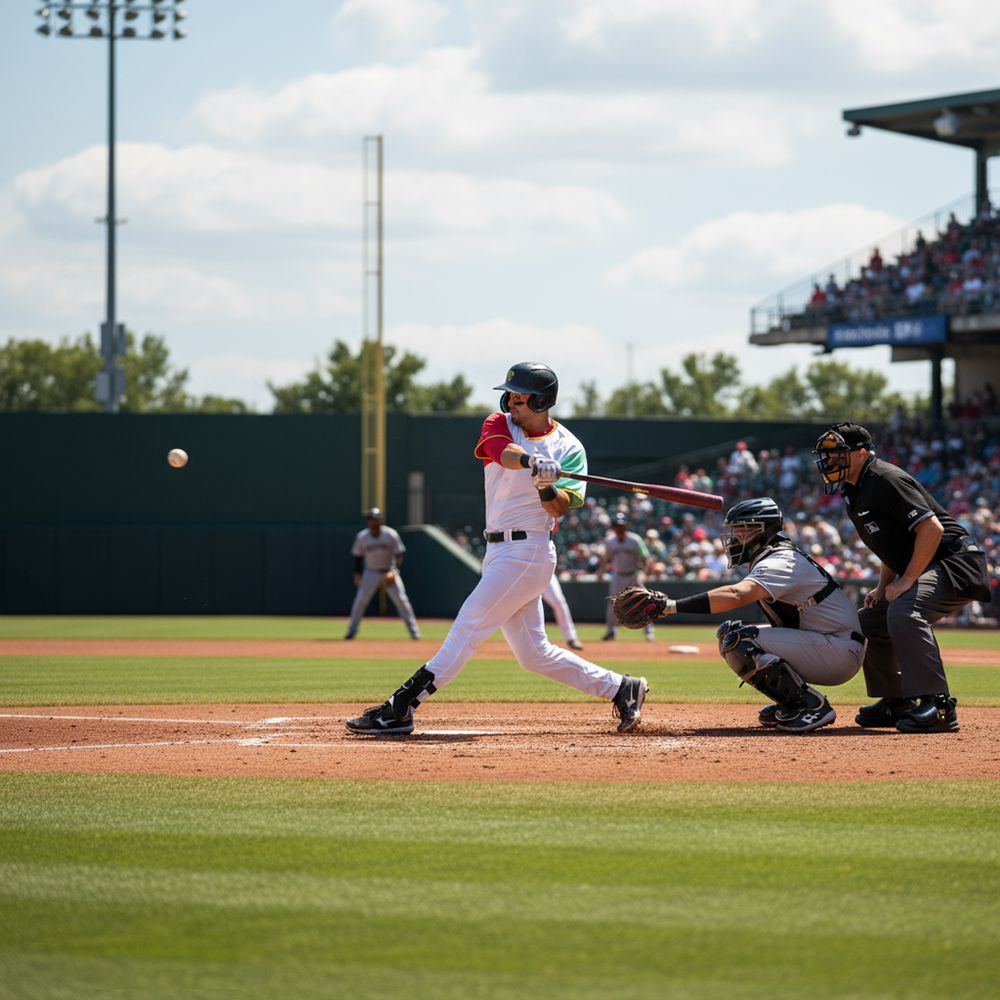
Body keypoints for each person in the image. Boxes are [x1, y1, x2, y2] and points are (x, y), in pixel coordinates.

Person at [346, 362, 647, 735]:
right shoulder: (500, 423)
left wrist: (545, 485)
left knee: (467, 627)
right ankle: (622, 688)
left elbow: (559, 508)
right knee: (533, 654)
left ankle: (400, 707)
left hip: (528, 550)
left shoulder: (570, 449)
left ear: (542, 401)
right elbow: (497, 451)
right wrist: (531, 461)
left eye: (520, 398)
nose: (511, 403)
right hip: (499, 550)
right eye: (510, 395)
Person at [813, 422, 991, 733]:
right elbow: (890, 545)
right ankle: (897, 702)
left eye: (837, 454)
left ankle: (938, 705)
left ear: (861, 454)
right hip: (930, 565)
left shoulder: (885, 478)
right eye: (826, 455)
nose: (829, 461)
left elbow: (931, 529)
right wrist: (883, 586)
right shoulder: (853, 491)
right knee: (869, 620)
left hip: (957, 562)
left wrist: (906, 580)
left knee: (906, 609)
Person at [645, 497, 865, 733]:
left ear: (766, 530)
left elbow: (736, 594)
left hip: (838, 650)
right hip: (828, 643)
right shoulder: (773, 556)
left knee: (739, 641)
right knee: (731, 633)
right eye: (735, 529)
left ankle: (811, 705)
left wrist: (671, 606)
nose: (736, 536)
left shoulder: (782, 560)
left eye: (744, 529)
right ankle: (792, 703)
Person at [344, 508, 420, 640]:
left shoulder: (390, 534)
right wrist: (357, 574)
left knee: (401, 600)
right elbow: (358, 557)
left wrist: (394, 571)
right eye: (373, 519)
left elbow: (398, 555)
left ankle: (414, 632)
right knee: (360, 601)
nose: (375, 521)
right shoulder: (362, 537)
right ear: (369, 521)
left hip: (388, 571)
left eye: (377, 519)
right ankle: (352, 630)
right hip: (371, 572)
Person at [600, 512, 655, 642]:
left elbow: (646, 558)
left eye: (622, 526)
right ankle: (611, 630)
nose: (620, 528)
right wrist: (601, 571)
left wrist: (644, 573)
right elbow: (605, 558)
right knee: (613, 603)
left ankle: (649, 632)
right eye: (618, 526)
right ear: (613, 527)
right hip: (618, 575)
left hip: (633, 575)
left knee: (644, 602)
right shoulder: (609, 541)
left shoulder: (635, 539)